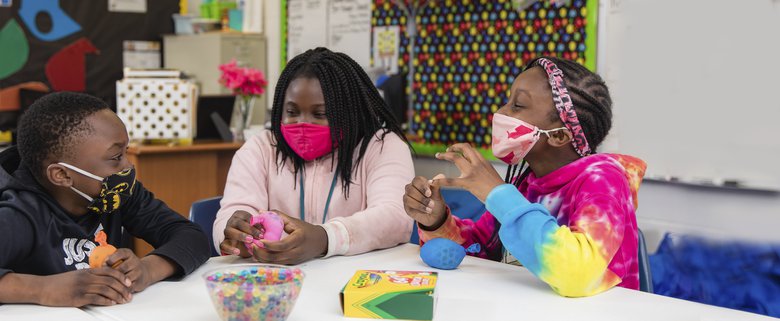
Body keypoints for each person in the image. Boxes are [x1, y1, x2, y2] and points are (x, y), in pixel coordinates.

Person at [403, 57, 647, 297]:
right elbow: (480, 249)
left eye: (517, 105)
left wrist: (497, 194)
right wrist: (435, 222)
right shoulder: (526, 183)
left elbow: (579, 273)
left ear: (560, 136)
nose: (501, 112)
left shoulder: (603, 181)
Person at [0, 92, 210, 306]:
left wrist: (147, 269)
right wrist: (43, 290)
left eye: (126, 152)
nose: (128, 166)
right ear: (62, 175)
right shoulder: (18, 213)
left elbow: (191, 236)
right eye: (116, 157)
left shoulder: (116, 193)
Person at [215, 48, 414, 264]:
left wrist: (324, 238)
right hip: (278, 281)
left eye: (320, 114)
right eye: (291, 112)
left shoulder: (382, 147)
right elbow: (230, 215)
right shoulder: (260, 149)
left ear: (348, 112)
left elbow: (395, 217)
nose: (303, 123)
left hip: (356, 280)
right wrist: (237, 235)